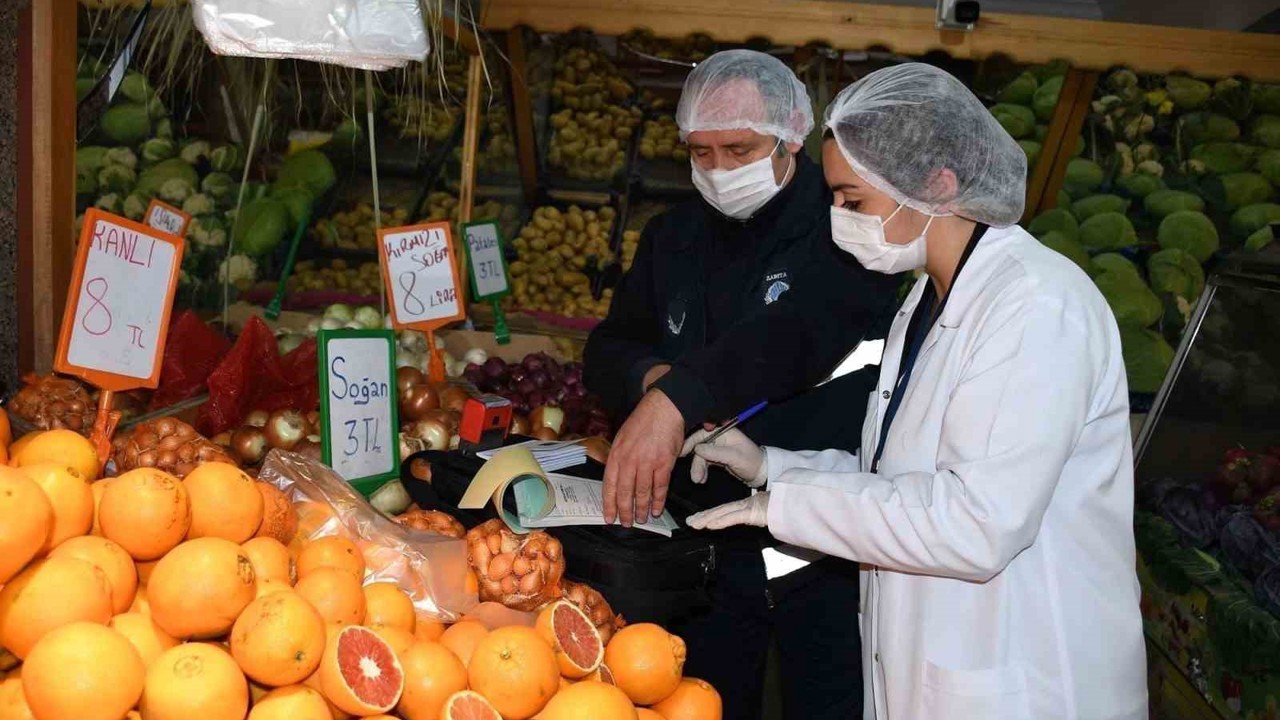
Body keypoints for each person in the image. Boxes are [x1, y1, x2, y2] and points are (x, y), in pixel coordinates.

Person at [686, 63, 1148, 720]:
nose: (841, 220)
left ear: (938, 184)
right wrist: (770, 467)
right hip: (931, 675)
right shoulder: (923, 302)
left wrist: (782, 509)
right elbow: (899, 480)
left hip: (1029, 682)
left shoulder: (1038, 306)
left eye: (854, 202)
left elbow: (973, 523)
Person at [583, 49, 896, 720]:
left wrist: (677, 399)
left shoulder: (848, 223)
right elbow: (609, 347)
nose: (719, 170)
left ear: (790, 138)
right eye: (701, 154)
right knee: (703, 700)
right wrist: (650, 377)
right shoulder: (672, 236)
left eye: (738, 149)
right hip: (700, 539)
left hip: (825, 533)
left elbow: (797, 335)